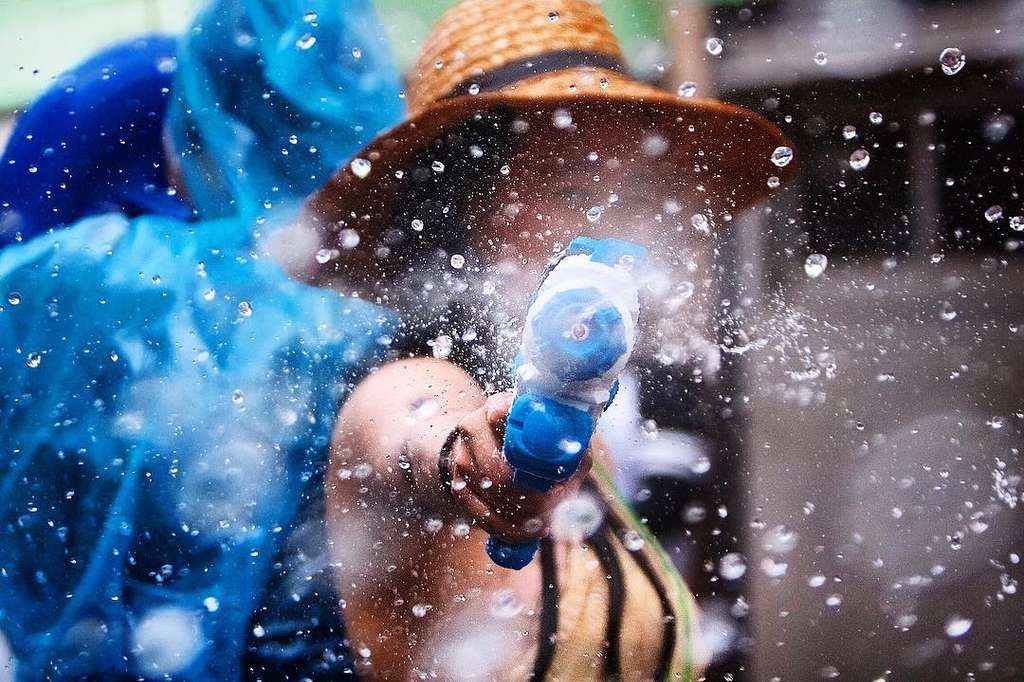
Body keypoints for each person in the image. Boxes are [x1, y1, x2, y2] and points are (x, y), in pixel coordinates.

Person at [0, 1, 792, 680]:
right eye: (573, 188)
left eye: (630, 190)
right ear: (465, 208)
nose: (612, 224)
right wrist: (472, 461)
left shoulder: (583, 417)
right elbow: (411, 431)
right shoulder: (412, 381)